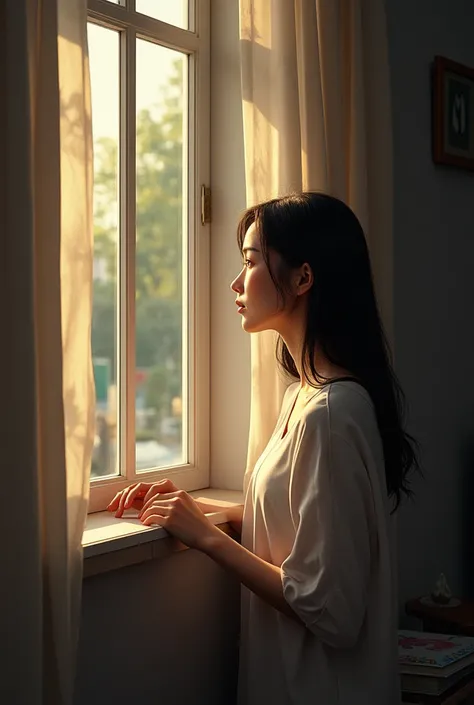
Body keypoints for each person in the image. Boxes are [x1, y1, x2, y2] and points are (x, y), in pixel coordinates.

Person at [108, 192, 420, 705]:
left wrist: (209, 541)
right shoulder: (303, 395)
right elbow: (298, 520)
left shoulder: (331, 411)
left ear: (303, 278)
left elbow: (332, 611)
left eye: (251, 261)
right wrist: (192, 508)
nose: (236, 281)